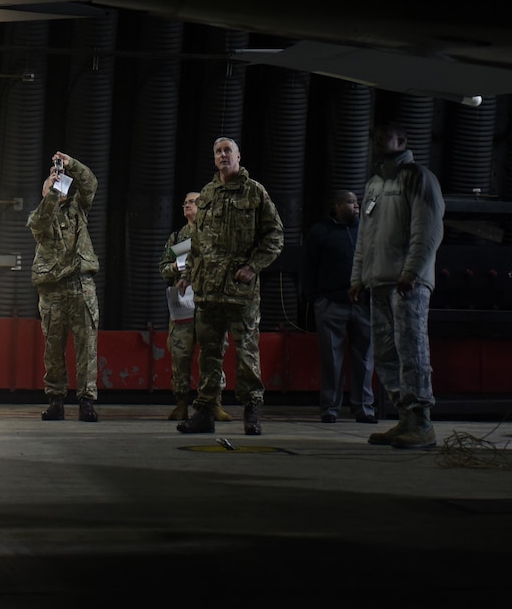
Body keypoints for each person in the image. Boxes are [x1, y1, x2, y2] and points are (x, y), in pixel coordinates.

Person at [177, 137, 285, 437]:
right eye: (218, 152)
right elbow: (197, 242)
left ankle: (251, 410)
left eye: (228, 151)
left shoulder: (254, 192)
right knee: (209, 354)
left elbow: (275, 236)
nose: (223, 155)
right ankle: (205, 412)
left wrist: (253, 266)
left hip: (240, 293)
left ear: (238, 156)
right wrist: (187, 274)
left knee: (247, 352)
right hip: (209, 291)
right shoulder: (208, 194)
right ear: (214, 159)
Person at [350, 125, 446, 450]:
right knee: (385, 352)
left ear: (402, 141)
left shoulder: (418, 178)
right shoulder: (374, 184)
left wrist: (412, 271)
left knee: (411, 349)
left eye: (384, 136)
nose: (377, 141)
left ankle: (421, 422)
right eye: (375, 137)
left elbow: (428, 230)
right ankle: (405, 417)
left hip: (407, 284)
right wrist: (357, 278)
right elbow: (364, 236)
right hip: (377, 283)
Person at [28, 150, 101, 422]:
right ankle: (56, 400)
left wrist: (71, 165)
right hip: (53, 289)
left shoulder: (78, 207)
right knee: (53, 348)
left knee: (87, 346)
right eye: (51, 182)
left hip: (81, 285)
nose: (56, 184)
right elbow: (43, 217)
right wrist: (52, 190)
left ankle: (86, 401)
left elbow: (91, 184)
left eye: (59, 182)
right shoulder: (39, 217)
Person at [157, 191, 230, 423]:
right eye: (186, 202)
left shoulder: (214, 234)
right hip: (183, 304)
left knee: (212, 354)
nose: (188, 205)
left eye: (193, 202)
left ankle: (213, 403)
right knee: (180, 354)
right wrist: (179, 267)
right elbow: (164, 268)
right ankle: (181, 404)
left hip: (209, 302)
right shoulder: (178, 237)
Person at [303, 190, 375, 424]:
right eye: (351, 202)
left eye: (357, 203)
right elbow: (309, 266)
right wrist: (315, 298)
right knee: (331, 360)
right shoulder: (320, 232)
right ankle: (330, 409)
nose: (356, 207)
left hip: (364, 305)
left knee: (364, 359)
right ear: (336, 205)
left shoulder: (365, 231)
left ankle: (363, 408)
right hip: (330, 304)